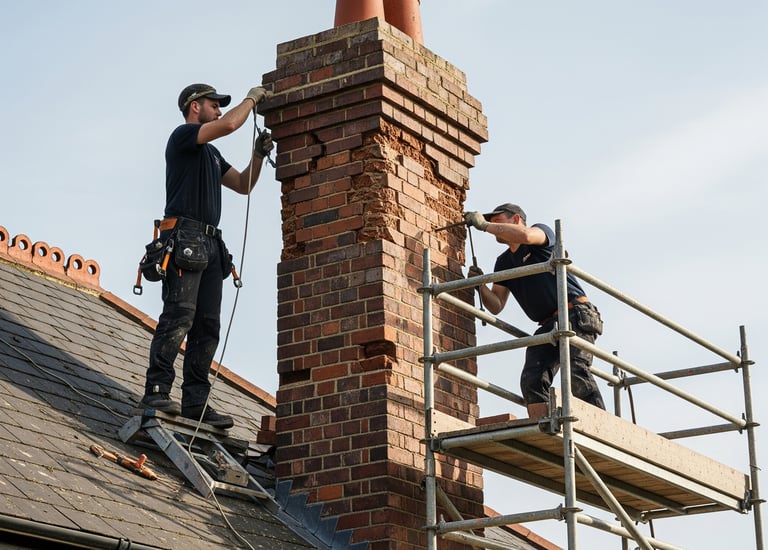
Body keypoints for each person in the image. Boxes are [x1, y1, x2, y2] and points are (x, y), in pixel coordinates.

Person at [139, 83, 274, 429]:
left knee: (207, 326)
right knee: (179, 317)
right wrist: (251, 98)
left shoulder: (212, 156)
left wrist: (257, 156)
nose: (218, 110)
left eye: (220, 105)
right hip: (184, 237)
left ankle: (195, 403)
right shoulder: (183, 136)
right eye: (214, 104)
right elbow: (230, 125)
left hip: (211, 245)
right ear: (195, 106)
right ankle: (157, 390)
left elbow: (244, 184)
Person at [463, 204, 606, 418]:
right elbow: (497, 305)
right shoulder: (504, 263)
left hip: (575, 313)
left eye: (497, 218)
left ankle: (598, 428)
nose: (492, 222)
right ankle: (542, 427)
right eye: (490, 220)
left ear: (516, 219)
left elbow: (528, 237)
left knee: (576, 372)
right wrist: (480, 285)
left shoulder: (541, 233)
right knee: (532, 379)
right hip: (548, 324)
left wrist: (484, 226)